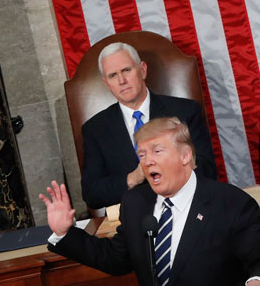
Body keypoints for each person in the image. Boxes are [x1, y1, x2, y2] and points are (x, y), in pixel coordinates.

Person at [42, 117, 260, 286]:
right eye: (142, 154)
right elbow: (116, 259)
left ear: (185, 156)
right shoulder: (135, 202)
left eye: (157, 151)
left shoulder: (229, 202)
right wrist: (65, 233)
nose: (147, 162)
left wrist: (258, 281)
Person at [80, 42, 218, 209]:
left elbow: (207, 169)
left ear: (142, 70)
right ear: (107, 83)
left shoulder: (186, 111)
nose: (122, 80)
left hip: (187, 208)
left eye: (126, 70)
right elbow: (92, 193)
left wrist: (165, 175)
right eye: (113, 76)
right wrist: (133, 178)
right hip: (134, 220)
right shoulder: (95, 129)